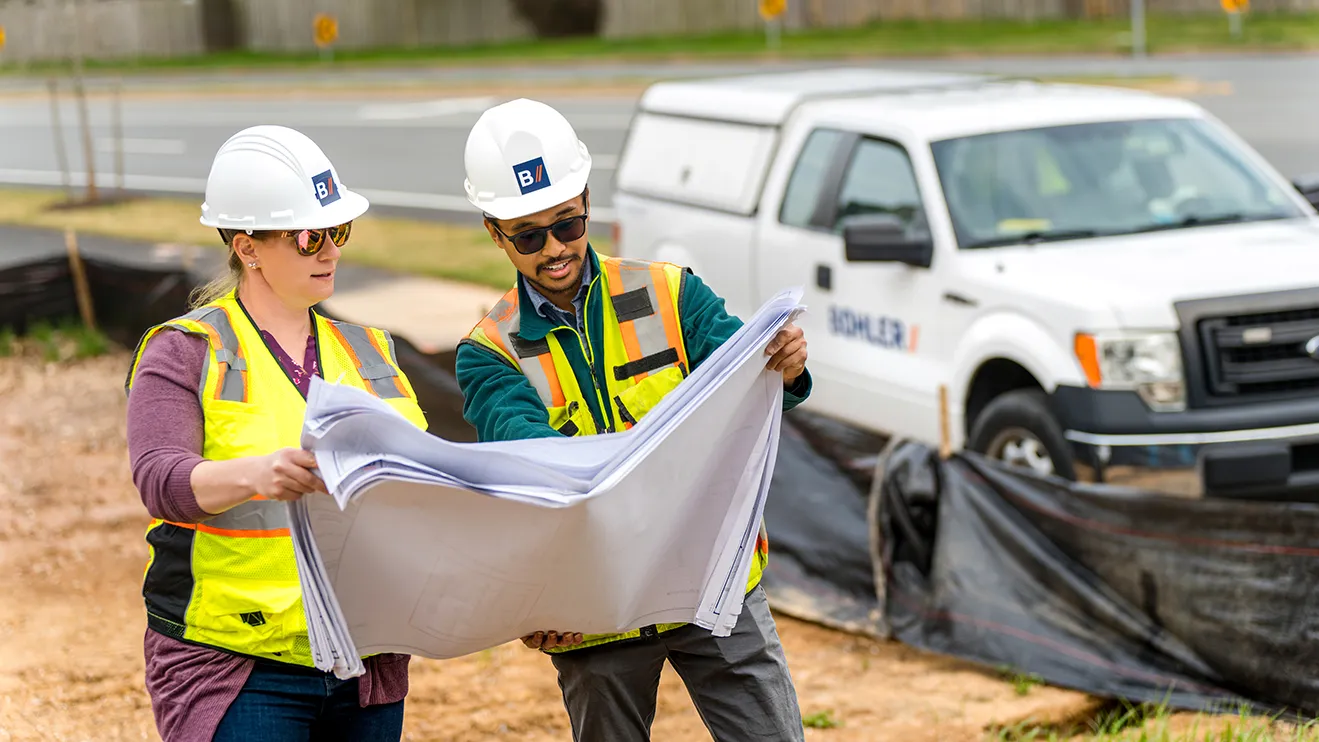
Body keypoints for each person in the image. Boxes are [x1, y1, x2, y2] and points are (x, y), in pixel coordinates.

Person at [454, 98, 811, 741]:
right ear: (494, 232)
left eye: (568, 224)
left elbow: (754, 384)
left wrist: (783, 368)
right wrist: (541, 599)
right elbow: (538, 483)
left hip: (712, 585)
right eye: (529, 237)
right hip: (596, 614)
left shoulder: (674, 295)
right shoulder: (490, 354)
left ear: (587, 201)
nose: (555, 248)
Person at [124, 125, 429, 742]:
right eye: (311, 236)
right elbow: (160, 480)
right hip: (234, 661)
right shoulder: (185, 351)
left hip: (363, 656)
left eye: (338, 232)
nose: (331, 252)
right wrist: (257, 475)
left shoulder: (371, 351)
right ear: (249, 247)